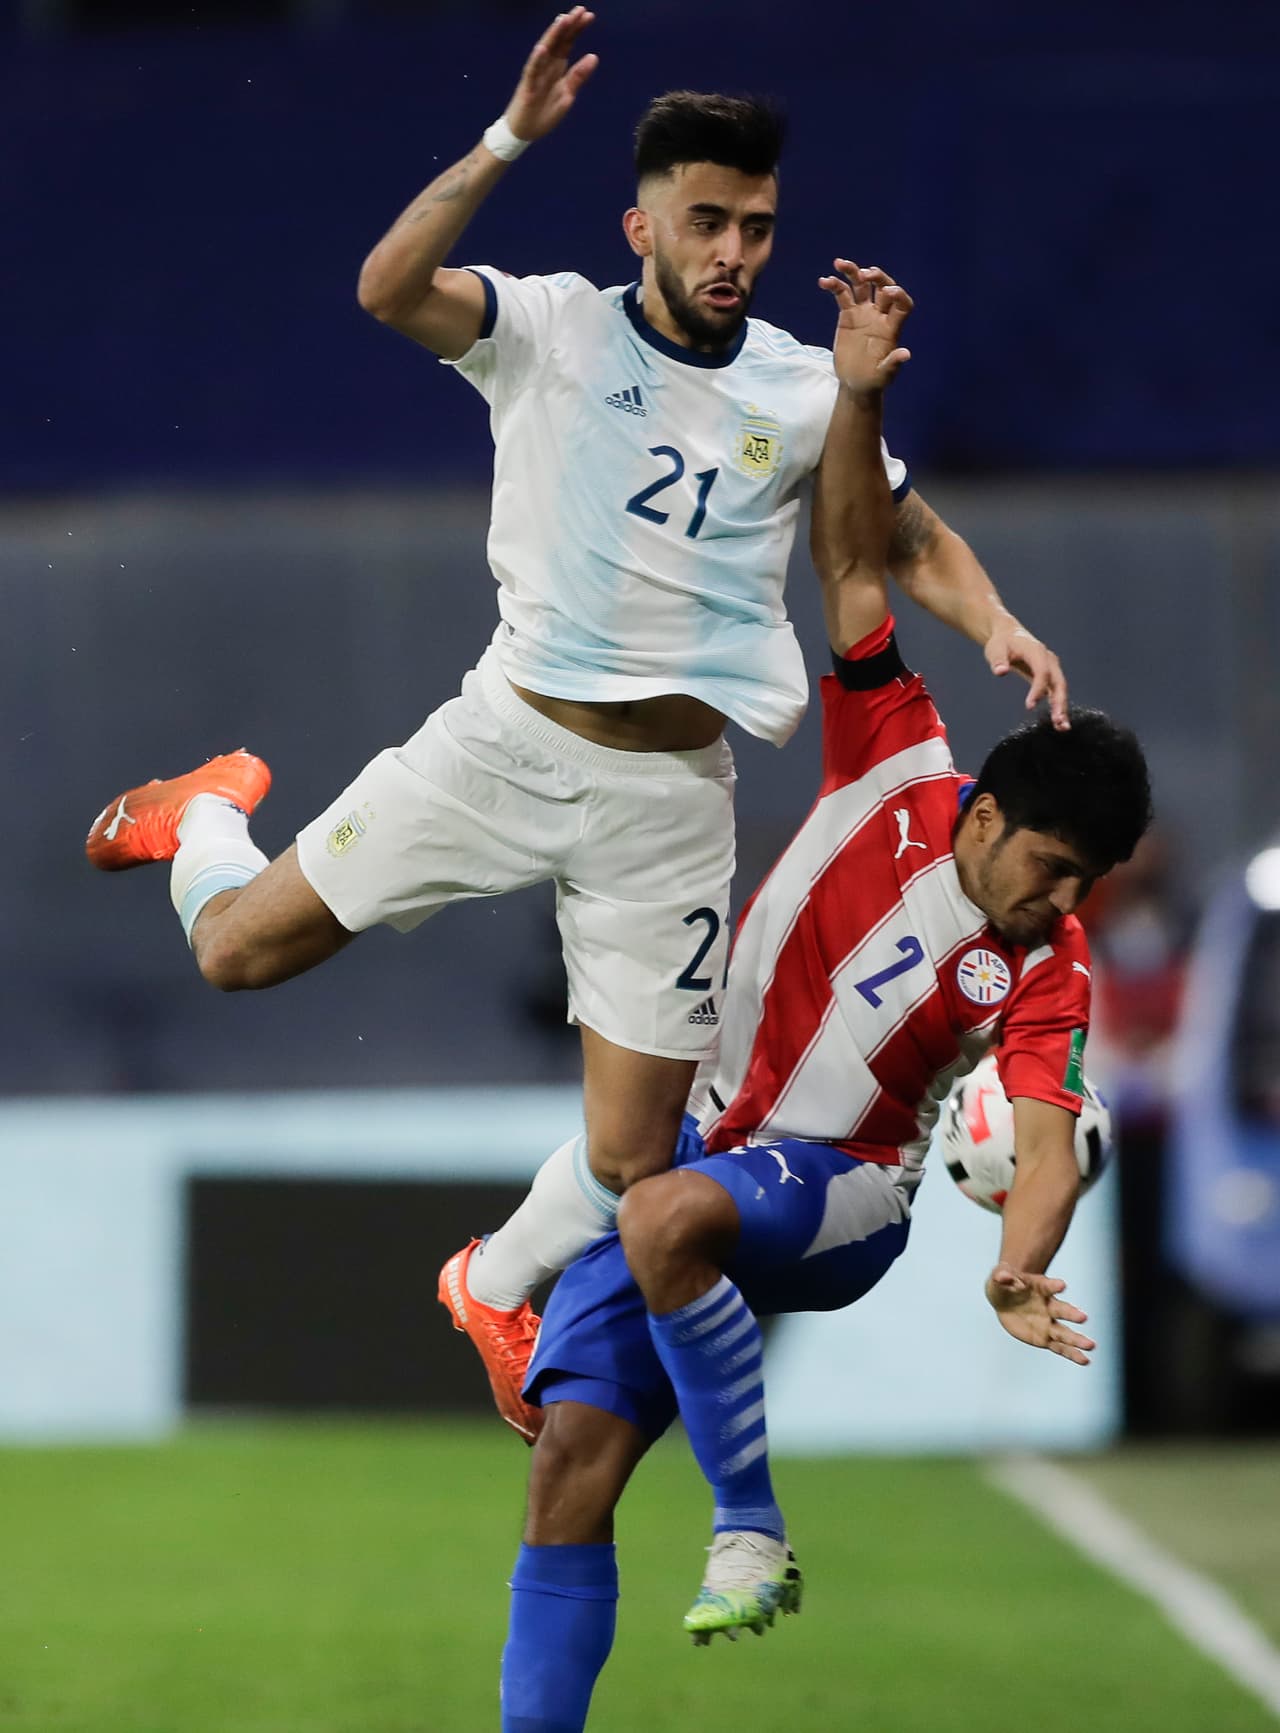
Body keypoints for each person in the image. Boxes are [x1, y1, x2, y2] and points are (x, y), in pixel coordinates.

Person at [84, 9, 1064, 1443]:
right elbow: (385, 286)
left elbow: (903, 540)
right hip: (504, 741)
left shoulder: (801, 388)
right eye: (709, 220)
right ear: (643, 224)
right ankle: (209, 814)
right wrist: (502, 141)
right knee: (235, 952)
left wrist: (997, 624)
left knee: (634, 1153)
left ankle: (490, 1280)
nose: (736, 251)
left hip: (668, 802)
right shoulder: (548, 326)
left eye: (758, 226)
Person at [493, 269, 1153, 1731]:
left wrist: (1017, 1265)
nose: (1064, 901)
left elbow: (1045, 1135)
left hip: (845, 1194)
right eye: (1053, 867)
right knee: (567, 1469)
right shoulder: (894, 762)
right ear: (983, 813)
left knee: (657, 1211)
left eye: (1088, 881)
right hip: (714, 1152)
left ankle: (752, 1524)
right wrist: (857, 395)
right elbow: (853, 562)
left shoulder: (1051, 968)